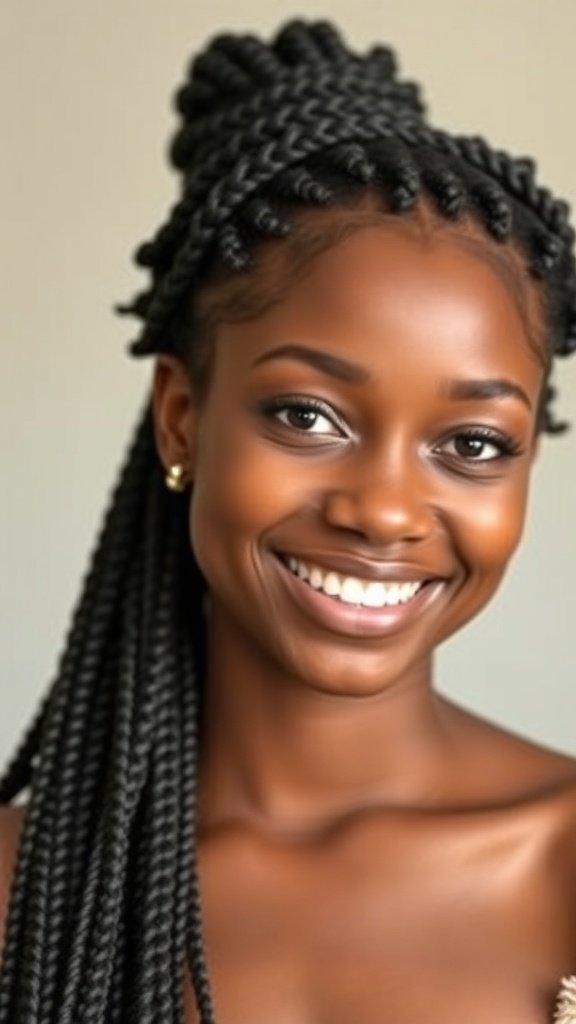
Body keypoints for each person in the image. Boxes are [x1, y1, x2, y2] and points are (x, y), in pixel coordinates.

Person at [1, 17, 576, 1024]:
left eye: (475, 443)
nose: (386, 511)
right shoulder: (28, 900)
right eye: (308, 416)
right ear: (183, 416)